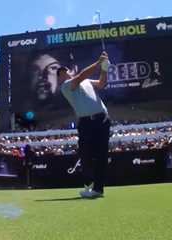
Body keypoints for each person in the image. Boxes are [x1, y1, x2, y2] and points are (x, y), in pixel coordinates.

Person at [57, 51, 111, 199]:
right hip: (86, 122)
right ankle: (90, 183)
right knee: (85, 155)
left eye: (65, 71)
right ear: (60, 78)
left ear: (69, 71)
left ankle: (98, 189)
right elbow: (81, 75)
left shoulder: (86, 82)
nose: (64, 74)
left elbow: (101, 83)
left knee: (101, 155)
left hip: (102, 120)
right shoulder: (66, 86)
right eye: (60, 74)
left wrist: (104, 69)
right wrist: (99, 63)